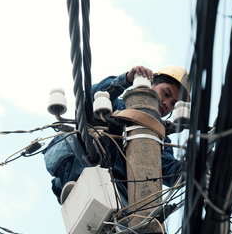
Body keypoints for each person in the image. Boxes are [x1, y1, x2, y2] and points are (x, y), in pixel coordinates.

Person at [44, 64, 191, 209]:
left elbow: (168, 171)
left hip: (113, 189)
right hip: (79, 161)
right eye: (166, 93)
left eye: (174, 104)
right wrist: (125, 80)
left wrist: (200, 166)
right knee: (80, 142)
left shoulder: (160, 137)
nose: (166, 104)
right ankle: (75, 182)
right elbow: (89, 98)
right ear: (151, 83)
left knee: (133, 216)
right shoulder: (115, 107)